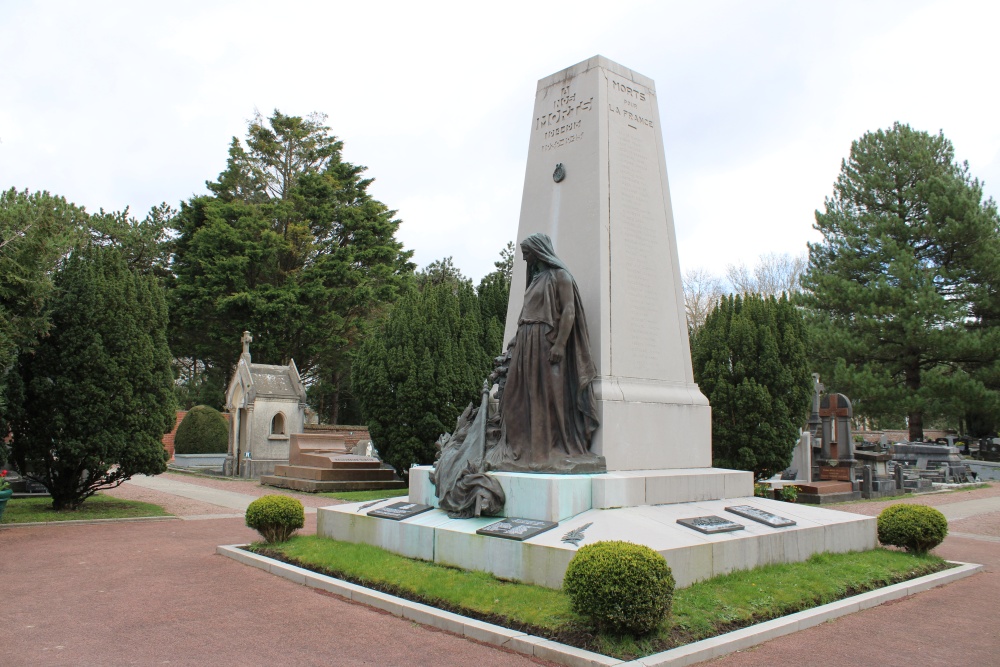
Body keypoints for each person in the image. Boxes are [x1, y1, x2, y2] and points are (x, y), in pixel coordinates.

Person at [497, 233, 601, 470]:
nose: (524, 257)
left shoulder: (560, 276)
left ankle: (544, 449)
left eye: (527, 252)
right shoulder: (535, 279)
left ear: (538, 250)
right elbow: (528, 313)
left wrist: (560, 344)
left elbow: (569, 311)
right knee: (515, 399)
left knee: (544, 397)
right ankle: (520, 446)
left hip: (545, 344)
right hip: (526, 344)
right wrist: (516, 339)